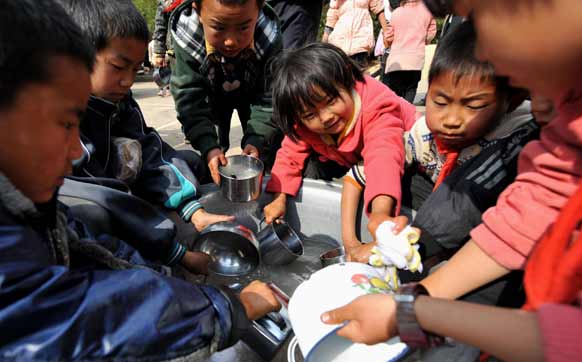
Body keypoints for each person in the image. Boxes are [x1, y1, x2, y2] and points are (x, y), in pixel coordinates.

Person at [0, 1, 281, 362]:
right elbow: (87, 319)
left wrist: (175, 262)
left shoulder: (29, 205)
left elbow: (90, 252)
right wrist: (230, 309)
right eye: (64, 123)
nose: (78, 149)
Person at [322, 0, 582, 362]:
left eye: (488, 16)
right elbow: (527, 213)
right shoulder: (573, 94)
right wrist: (408, 305)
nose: (485, 50)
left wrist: (412, 313)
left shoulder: (523, 128)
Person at [342, 21, 536, 265]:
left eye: (473, 106)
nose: (452, 120)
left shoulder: (524, 140)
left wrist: (418, 245)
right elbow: (365, 171)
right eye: (440, 103)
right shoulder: (424, 134)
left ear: (513, 100)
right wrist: (372, 224)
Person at [60, 0, 233, 274]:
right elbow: (103, 195)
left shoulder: (119, 101)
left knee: (188, 161)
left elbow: (150, 148)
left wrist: (193, 211)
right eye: (118, 67)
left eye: (135, 69)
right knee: (94, 215)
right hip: (83, 203)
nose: (128, 81)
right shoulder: (61, 117)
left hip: (114, 182)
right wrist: (175, 253)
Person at [263, 43, 417, 233]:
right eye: (310, 115)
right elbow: (289, 155)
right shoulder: (303, 123)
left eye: (331, 101)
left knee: (406, 192)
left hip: (409, 157)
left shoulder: (377, 107)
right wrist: (279, 198)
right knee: (309, 169)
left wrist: (380, 213)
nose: (326, 117)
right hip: (349, 155)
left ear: (347, 81)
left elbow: (383, 157)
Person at [169, 0, 283, 184]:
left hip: (252, 93)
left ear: (259, 10)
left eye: (244, 27)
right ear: (197, 10)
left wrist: (257, 140)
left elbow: (269, 97)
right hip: (213, 96)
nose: (231, 41)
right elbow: (189, 98)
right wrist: (208, 146)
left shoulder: (268, 36)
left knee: (265, 149)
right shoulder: (187, 37)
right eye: (218, 27)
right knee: (214, 151)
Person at [383, 0, 436, 103]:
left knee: (395, 92)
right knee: (411, 87)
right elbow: (432, 31)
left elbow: (389, 36)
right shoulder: (427, 12)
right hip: (416, 58)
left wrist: (389, 43)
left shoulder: (397, 13)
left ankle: (396, 114)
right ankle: (408, 112)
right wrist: (424, 40)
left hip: (397, 60)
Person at [322, 0, 389, 69]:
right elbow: (331, 19)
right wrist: (323, 42)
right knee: (341, 76)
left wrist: (386, 30)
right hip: (339, 43)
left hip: (361, 41)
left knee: (359, 74)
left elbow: (378, 7)